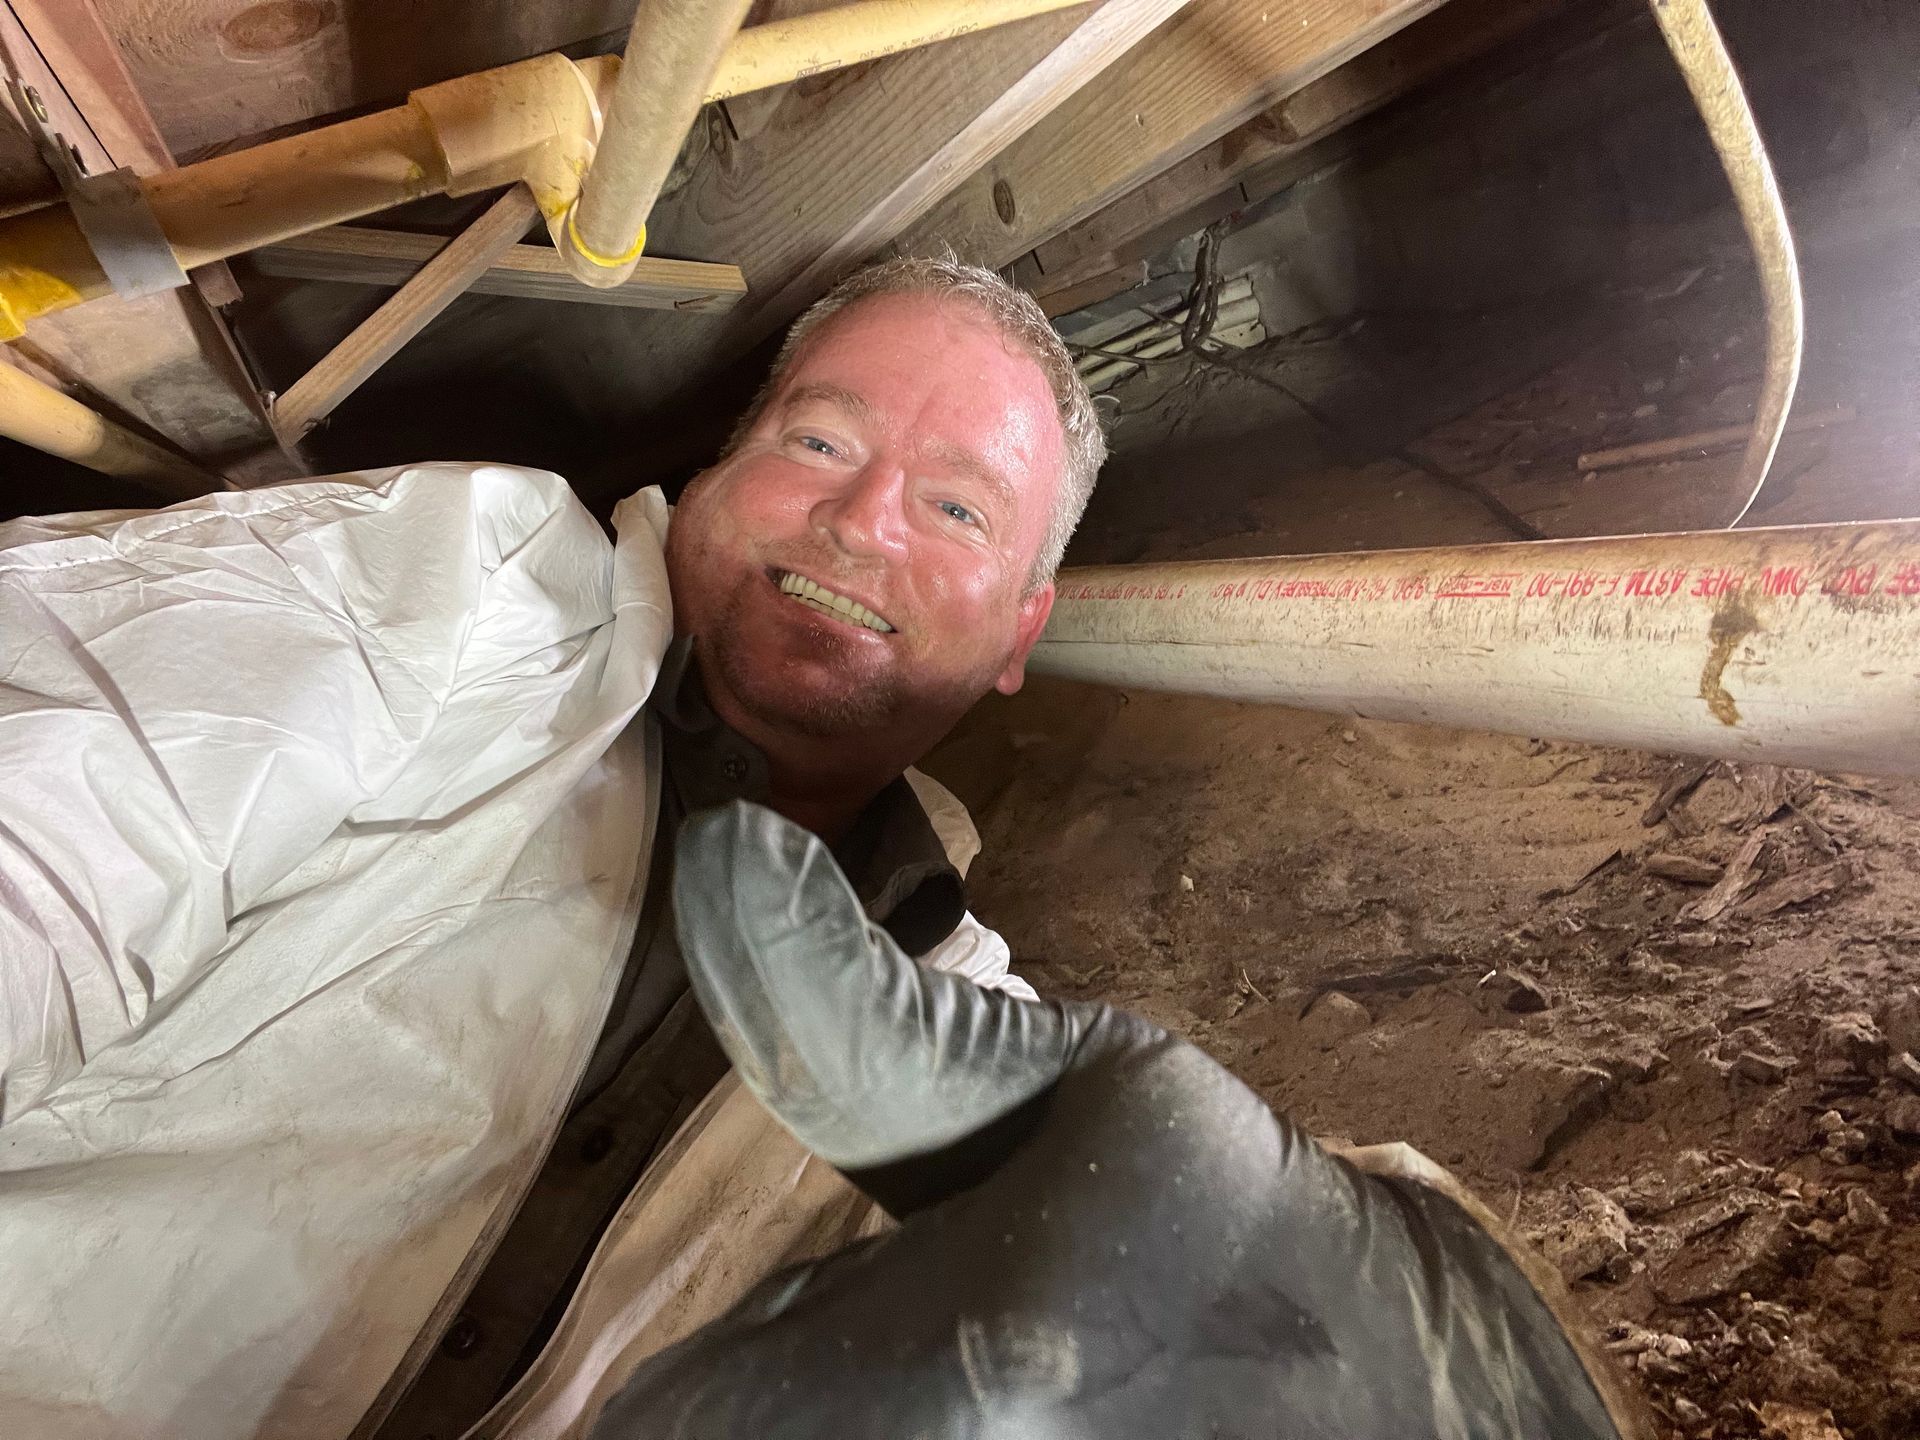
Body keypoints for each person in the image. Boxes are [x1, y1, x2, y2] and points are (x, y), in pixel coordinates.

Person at [0, 256, 1104, 1439]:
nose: (863, 520)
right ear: (714, 472)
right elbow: (71, 819)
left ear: (1020, 629)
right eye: (821, 444)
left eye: (958, 508)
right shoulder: (468, 588)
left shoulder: (972, 1038)